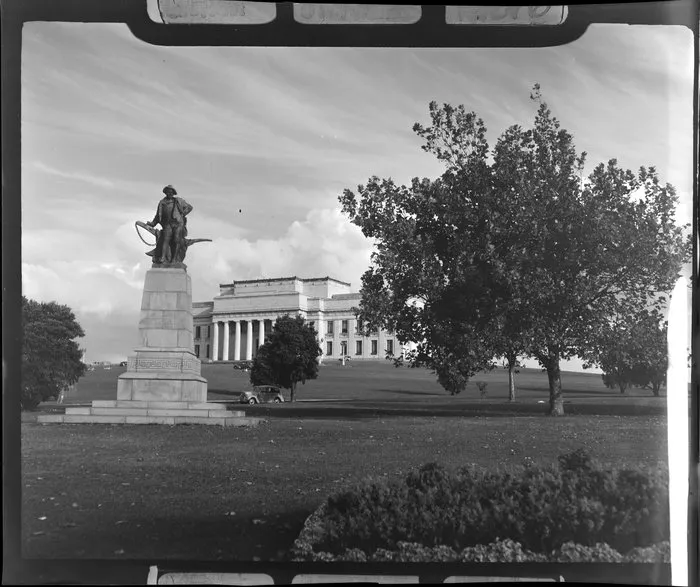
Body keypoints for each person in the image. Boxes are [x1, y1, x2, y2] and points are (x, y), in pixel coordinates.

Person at [147, 185, 193, 265]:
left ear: (173, 193)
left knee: (176, 240)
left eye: (171, 192)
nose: (170, 193)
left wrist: (182, 214)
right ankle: (163, 258)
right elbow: (158, 215)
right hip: (167, 224)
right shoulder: (162, 203)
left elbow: (189, 207)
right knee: (165, 239)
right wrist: (153, 224)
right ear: (166, 193)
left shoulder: (178, 200)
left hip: (178, 223)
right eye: (168, 191)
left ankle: (174, 259)